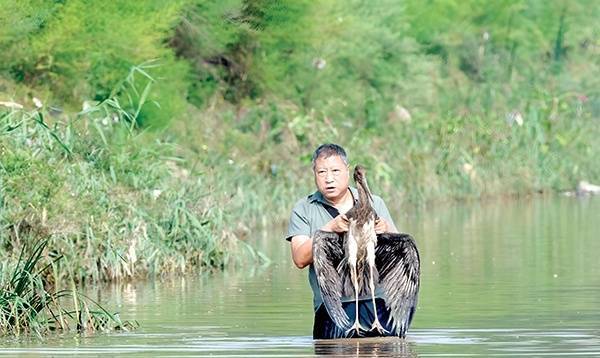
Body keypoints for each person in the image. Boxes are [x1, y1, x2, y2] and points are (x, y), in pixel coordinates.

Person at [285, 143, 399, 339]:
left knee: (388, 347)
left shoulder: (374, 202)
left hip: (376, 301)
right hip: (332, 305)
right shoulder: (304, 208)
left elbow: (398, 254)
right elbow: (299, 259)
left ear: (347, 171)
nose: (329, 178)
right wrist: (329, 229)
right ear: (314, 173)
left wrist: (386, 231)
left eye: (335, 171)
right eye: (322, 172)